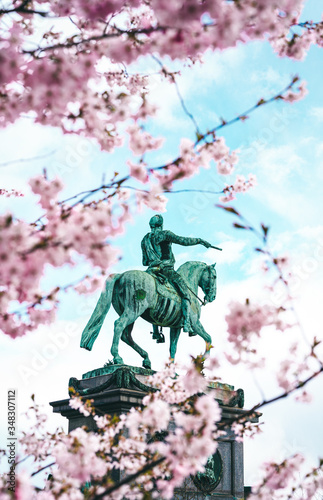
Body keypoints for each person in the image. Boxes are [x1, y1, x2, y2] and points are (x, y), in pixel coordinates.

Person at [141, 214, 213, 334]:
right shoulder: (165, 234)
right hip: (166, 270)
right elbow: (183, 241)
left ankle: (156, 332)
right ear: (161, 225)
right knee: (186, 294)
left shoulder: (145, 239)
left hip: (151, 270)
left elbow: (144, 262)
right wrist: (199, 241)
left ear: (151, 226)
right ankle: (186, 323)